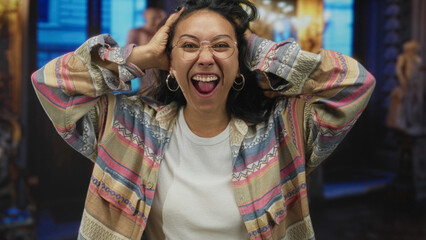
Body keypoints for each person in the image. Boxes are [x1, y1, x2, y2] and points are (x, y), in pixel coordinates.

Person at [31, 0, 375, 239]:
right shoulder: (127, 128)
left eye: (222, 46)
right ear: (171, 63)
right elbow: (49, 83)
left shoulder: (282, 131)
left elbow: (356, 84)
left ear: (240, 63)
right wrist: (143, 56)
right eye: (190, 45)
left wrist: (254, 47)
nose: (206, 58)